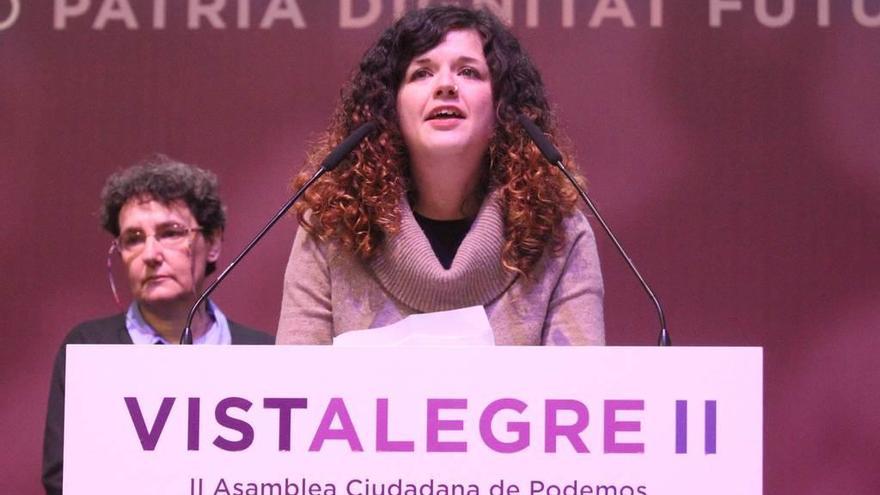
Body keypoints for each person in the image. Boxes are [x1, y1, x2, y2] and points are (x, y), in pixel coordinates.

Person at [276, 6, 604, 345]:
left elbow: (581, 391)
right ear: (390, 107)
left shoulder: (560, 233)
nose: (445, 85)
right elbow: (293, 388)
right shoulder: (331, 227)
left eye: (468, 72)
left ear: (503, 107)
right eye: (421, 73)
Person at [42, 156, 272, 495]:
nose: (150, 254)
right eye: (134, 238)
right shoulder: (89, 348)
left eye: (170, 233)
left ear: (214, 243)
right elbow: (62, 478)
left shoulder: (266, 356)